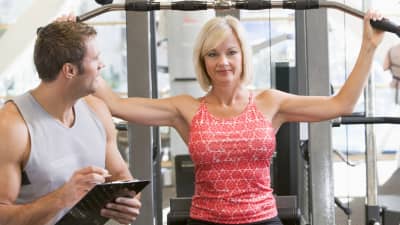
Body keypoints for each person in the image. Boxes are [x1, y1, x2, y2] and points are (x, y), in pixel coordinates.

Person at [93, 11, 384, 225]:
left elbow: (342, 103)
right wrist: (80, 53)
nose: (223, 62)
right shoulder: (186, 108)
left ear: (243, 56)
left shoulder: (270, 102)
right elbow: (114, 103)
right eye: (212, 54)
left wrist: (369, 46)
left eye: (231, 52)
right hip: (206, 220)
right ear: (202, 61)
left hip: (263, 219)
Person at [0, 21, 142, 225]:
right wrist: (61, 198)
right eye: (95, 59)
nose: (102, 64)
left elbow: (120, 175)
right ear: (69, 70)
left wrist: (129, 202)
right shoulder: (12, 126)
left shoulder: (97, 110)